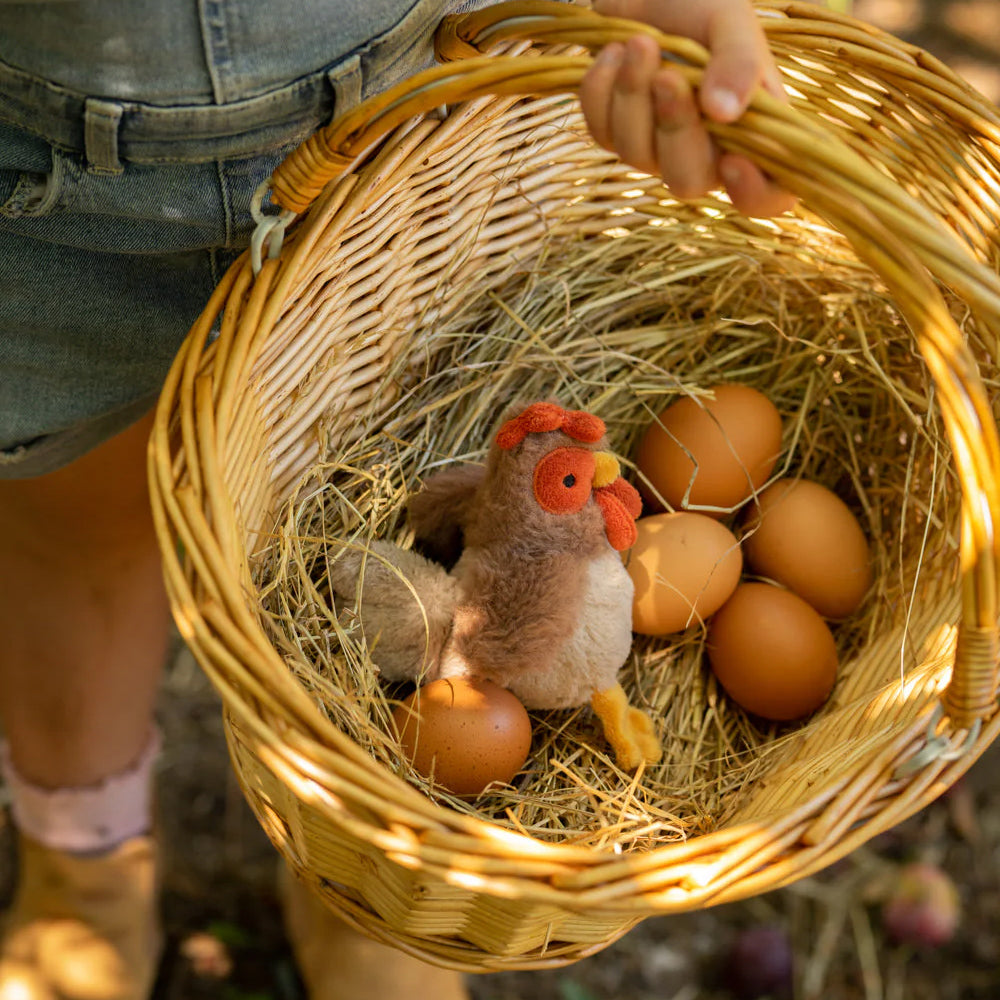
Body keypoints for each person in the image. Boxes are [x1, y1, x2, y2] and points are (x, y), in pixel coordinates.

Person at [0, 0, 792, 997]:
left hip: (403, 103)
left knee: (348, 471)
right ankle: (85, 864)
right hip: (35, 166)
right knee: (76, 523)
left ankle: (361, 880)